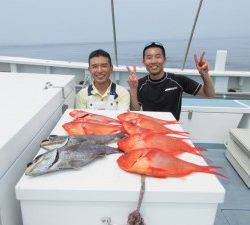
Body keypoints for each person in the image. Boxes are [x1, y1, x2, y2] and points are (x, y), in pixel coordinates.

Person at [127, 42, 215, 120]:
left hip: (171, 130)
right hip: (150, 130)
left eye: (158, 57)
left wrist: (205, 74)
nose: (153, 61)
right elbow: (135, 111)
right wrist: (133, 89)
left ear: (164, 60)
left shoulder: (178, 80)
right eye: (149, 58)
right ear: (144, 62)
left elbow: (209, 94)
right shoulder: (140, 83)